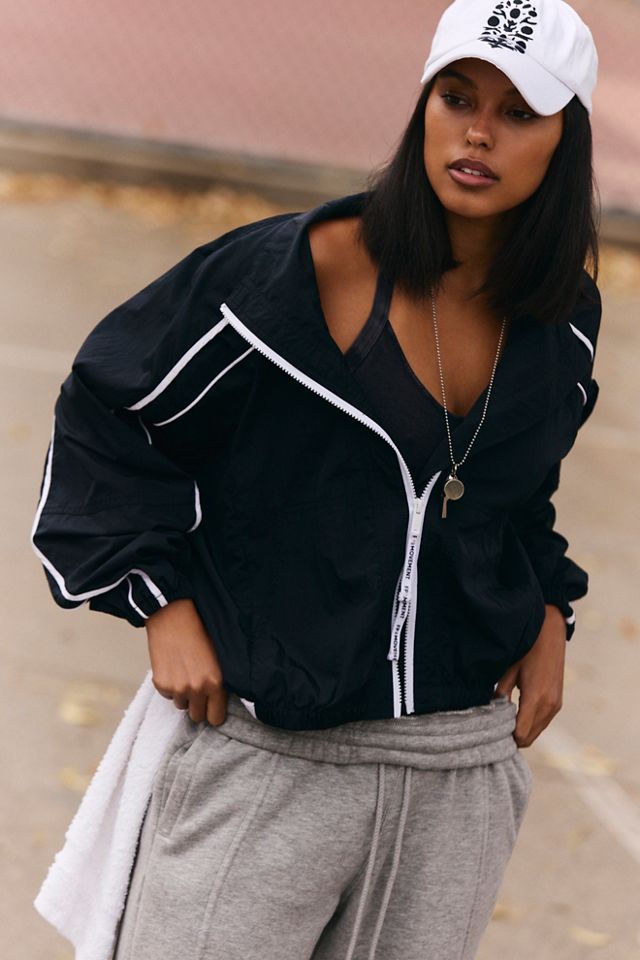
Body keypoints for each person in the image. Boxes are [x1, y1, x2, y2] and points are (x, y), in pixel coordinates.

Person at [30, 0, 601, 957]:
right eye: (457, 97)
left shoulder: (562, 321)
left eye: (518, 112)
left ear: (565, 139)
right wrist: (160, 602)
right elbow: (107, 411)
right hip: (270, 760)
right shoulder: (286, 279)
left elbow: (516, 493)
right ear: (423, 106)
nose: (478, 133)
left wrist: (549, 608)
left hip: (452, 774)